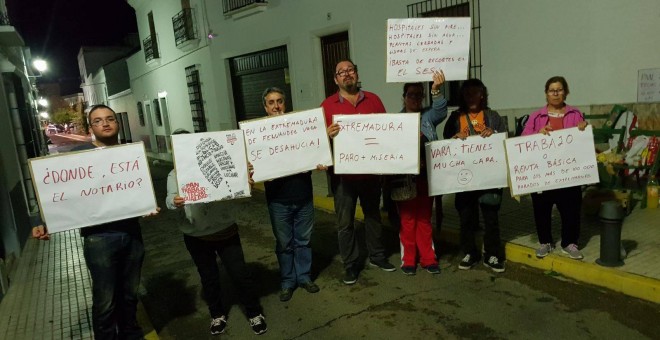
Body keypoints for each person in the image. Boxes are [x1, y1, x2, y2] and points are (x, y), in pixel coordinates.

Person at [32, 104, 159, 340]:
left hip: (132, 234)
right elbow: (58, 191)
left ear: (118, 123)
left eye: (110, 119)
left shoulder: (130, 154)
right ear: (91, 127)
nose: (106, 123)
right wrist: (44, 221)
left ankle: (131, 333)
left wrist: (149, 205)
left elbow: (138, 190)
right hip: (98, 239)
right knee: (105, 300)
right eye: (98, 121)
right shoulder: (80, 156)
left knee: (130, 294)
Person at [166, 128, 267, 335]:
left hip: (225, 230)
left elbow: (237, 187)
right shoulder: (174, 174)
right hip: (196, 236)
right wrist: (174, 202)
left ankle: (254, 312)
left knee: (240, 274)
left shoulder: (216, 163)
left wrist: (244, 178)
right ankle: (217, 314)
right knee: (209, 277)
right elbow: (169, 199)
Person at [322, 59, 396, 285]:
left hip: (371, 174)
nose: (347, 74)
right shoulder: (327, 105)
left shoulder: (374, 100)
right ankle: (351, 264)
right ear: (336, 79)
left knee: (373, 216)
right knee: (345, 223)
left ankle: (377, 256)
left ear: (356, 73)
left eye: (350, 70)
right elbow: (317, 142)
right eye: (341, 72)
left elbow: (388, 133)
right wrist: (326, 134)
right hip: (342, 177)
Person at [261, 87, 322, 302]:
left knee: (303, 241)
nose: (276, 106)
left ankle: (304, 277)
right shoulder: (257, 134)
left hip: (303, 196)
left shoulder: (300, 128)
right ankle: (287, 281)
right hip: (278, 200)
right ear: (265, 107)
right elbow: (252, 164)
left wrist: (321, 158)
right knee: (284, 243)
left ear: (285, 103)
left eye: (279, 101)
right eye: (271, 102)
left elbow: (315, 150)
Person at [443, 79, 507, 273]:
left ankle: (493, 254)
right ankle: (470, 252)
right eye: (467, 93)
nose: (472, 97)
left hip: (489, 178)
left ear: (482, 95)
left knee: (491, 217)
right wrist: (454, 138)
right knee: (466, 217)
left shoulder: (492, 116)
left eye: (476, 93)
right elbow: (445, 143)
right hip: (464, 178)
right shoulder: (455, 117)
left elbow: (504, 139)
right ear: (463, 96)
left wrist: (494, 133)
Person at [521, 76, 588, 260]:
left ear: (566, 92)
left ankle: (570, 243)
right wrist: (537, 134)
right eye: (552, 90)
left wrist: (584, 128)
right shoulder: (536, 116)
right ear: (546, 94)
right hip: (543, 173)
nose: (556, 93)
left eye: (559, 90)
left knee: (571, 208)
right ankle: (545, 242)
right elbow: (524, 138)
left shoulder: (575, 113)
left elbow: (582, 140)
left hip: (569, 172)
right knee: (541, 208)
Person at [396, 70, 448, 275]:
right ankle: (409, 260)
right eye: (411, 95)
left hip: (427, 178)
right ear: (404, 97)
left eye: (419, 95)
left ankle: (428, 258)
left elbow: (441, 110)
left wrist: (436, 90)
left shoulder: (428, 116)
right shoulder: (395, 120)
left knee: (425, 219)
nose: (415, 98)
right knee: (407, 220)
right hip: (405, 180)